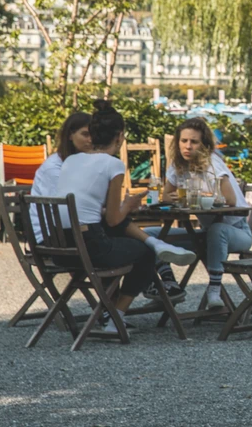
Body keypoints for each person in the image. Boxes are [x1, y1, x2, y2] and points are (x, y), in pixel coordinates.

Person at [50, 100, 195, 332]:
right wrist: (128, 204)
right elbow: (114, 219)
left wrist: (122, 208)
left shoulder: (70, 160)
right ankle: (116, 317)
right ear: (119, 136)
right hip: (90, 248)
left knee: (113, 237)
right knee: (144, 254)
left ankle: (110, 311)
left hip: (60, 250)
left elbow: (100, 214)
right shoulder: (113, 164)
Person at [146, 117, 252, 309]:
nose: (188, 146)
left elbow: (230, 201)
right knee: (149, 234)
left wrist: (199, 196)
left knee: (218, 229)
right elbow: (166, 196)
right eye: (184, 141)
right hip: (205, 234)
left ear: (203, 145)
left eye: (194, 142)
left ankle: (214, 290)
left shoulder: (213, 164)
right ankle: (169, 284)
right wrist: (188, 197)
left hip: (236, 232)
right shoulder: (178, 165)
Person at [29, 112, 92, 243]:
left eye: (93, 135)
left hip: (72, 231)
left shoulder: (82, 164)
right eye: (85, 134)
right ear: (70, 135)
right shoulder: (54, 168)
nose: (90, 140)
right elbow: (65, 213)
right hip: (51, 238)